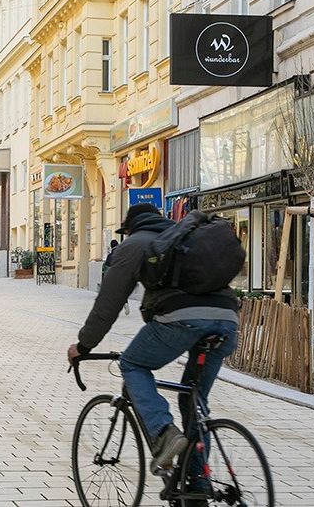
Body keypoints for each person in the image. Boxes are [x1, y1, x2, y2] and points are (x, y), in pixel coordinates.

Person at [67, 203, 240, 483]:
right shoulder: (186, 237)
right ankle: (196, 487)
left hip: (181, 320)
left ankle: (163, 433)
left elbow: (108, 305)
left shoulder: (135, 244)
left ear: (130, 227)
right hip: (227, 322)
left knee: (132, 363)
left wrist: (83, 346)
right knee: (193, 400)